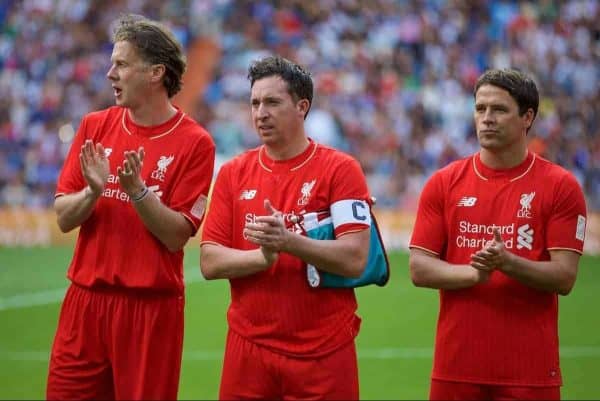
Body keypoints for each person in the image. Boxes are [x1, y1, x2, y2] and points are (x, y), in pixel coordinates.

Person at [47, 14, 215, 400]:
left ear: (156, 72)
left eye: (121, 64)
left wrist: (138, 191)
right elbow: (63, 218)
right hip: (84, 303)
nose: (110, 73)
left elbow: (176, 236)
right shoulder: (94, 126)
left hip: (149, 310)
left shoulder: (195, 143)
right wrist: (92, 192)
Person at [200, 55, 372, 400]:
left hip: (323, 351)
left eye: (272, 102)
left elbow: (355, 259)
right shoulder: (234, 173)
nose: (260, 112)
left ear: (302, 107)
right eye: (254, 102)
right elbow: (210, 261)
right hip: (248, 351)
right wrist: (261, 259)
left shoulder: (340, 170)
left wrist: (289, 242)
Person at [409, 68, 587, 401]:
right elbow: (419, 268)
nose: (486, 118)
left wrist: (507, 263)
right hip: (455, 368)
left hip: (530, 371)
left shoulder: (560, 186)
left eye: (499, 109)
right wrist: (475, 273)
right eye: (480, 109)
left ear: (527, 117)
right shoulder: (444, 182)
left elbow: (564, 277)